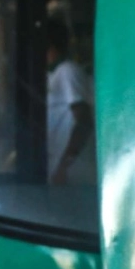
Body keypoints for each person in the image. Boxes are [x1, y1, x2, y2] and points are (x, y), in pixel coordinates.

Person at [44, 14, 96, 187]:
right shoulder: (50, 74)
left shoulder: (67, 71)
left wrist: (65, 164)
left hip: (71, 172)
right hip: (57, 169)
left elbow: (84, 121)